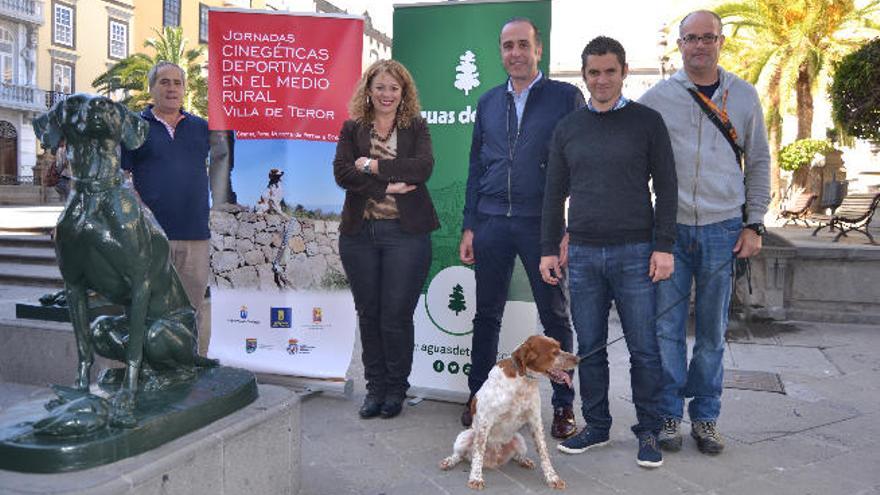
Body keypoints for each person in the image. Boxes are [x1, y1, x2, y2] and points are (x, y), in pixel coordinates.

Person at [539, 36, 677, 468]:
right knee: (591, 349)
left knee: (645, 349)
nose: (602, 80)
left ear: (623, 72)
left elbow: (667, 187)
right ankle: (596, 426)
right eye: (594, 72)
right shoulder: (568, 128)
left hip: (636, 252)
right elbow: (553, 193)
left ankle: (649, 431)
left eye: (610, 71)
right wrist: (548, 248)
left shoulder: (647, 122)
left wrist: (664, 247)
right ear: (584, 75)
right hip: (582, 256)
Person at [639, 10, 771, 455]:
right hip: (672, 230)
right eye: (691, 38)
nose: (699, 45)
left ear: (721, 41)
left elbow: (757, 163)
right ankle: (669, 414)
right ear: (679, 44)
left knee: (713, 331)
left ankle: (707, 418)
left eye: (707, 37)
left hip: (723, 229)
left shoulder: (745, 95)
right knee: (667, 330)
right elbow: (638, 163)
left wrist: (754, 223)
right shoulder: (658, 97)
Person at [459, 17, 585, 440]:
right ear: (501, 51)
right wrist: (469, 226)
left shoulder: (566, 97)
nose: (514, 53)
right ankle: (477, 399)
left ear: (538, 50)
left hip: (541, 224)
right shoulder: (488, 102)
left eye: (522, 45)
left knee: (555, 317)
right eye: (507, 46)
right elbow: (476, 168)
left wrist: (569, 229)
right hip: (491, 222)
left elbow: (580, 166)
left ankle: (564, 408)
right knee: (486, 315)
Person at [333, 59, 439, 420]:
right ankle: (374, 389)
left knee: (395, 316)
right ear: (369, 90)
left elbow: (422, 168)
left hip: (405, 235)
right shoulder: (352, 128)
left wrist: (372, 166)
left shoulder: (416, 127)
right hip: (359, 235)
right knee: (369, 314)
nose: (387, 94)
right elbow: (341, 172)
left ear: (404, 92)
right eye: (380, 87)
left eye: (394, 88)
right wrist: (386, 186)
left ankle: (396, 389)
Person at [121, 61, 211, 354]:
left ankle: (189, 364)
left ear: (185, 89)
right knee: (147, 307)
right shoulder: (133, 126)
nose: (172, 88)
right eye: (164, 82)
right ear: (152, 88)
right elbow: (121, 177)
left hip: (196, 235)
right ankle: (146, 368)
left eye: (177, 82)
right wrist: (140, 213)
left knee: (192, 308)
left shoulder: (202, 128)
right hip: (150, 237)